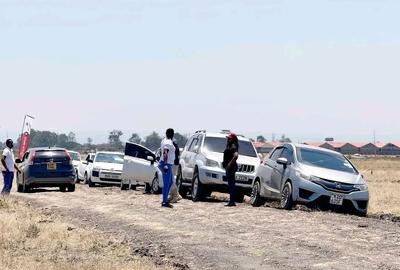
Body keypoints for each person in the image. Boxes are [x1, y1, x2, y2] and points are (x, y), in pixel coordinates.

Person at [159, 128, 176, 208]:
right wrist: (165, 164)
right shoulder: (168, 142)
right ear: (173, 134)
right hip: (166, 164)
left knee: (170, 182)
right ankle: (164, 202)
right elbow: (165, 152)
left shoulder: (164, 140)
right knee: (167, 183)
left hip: (168, 164)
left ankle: (165, 199)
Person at [222, 133, 239, 207]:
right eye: (228, 138)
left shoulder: (233, 145)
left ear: (233, 139)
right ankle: (232, 201)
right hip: (229, 168)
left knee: (231, 185)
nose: (228, 140)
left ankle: (232, 201)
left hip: (231, 168)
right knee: (231, 184)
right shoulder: (230, 145)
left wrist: (229, 164)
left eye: (229, 138)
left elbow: (236, 155)